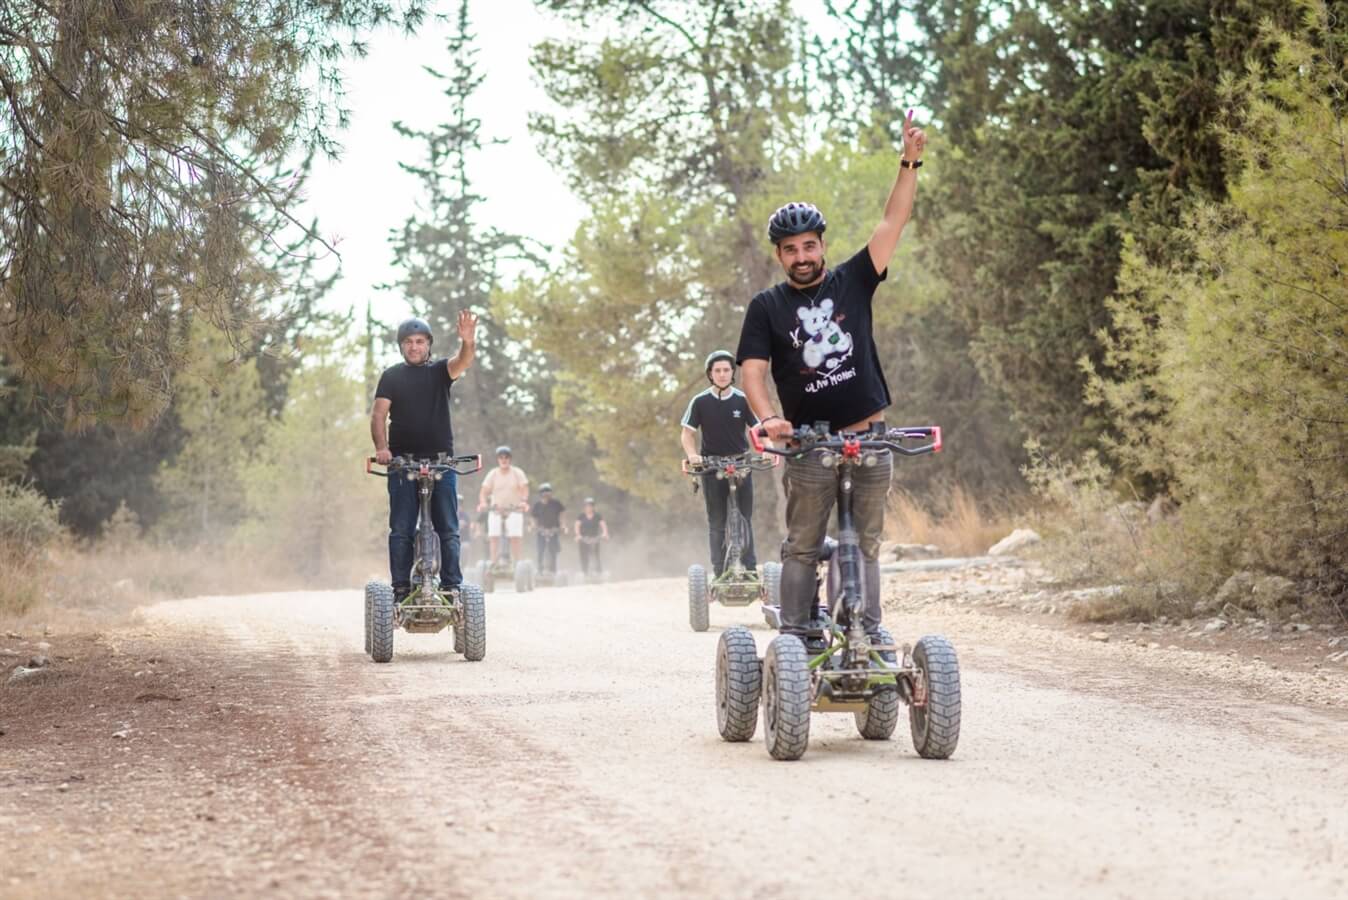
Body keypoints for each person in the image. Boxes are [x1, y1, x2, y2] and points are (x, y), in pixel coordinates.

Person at [736, 110, 928, 642]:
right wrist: (770, 419)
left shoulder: (853, 280)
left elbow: (893, 222)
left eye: (810, 245)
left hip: (870, 435)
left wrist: (909, 160)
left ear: (822, 244)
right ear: (779, 255)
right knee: (802, 542)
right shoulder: (766, 306)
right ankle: (796, 638)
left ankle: (867, 633)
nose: (802, 256)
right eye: (791, 249)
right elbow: (753, 371)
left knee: (865, 542)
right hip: (808, 444)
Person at [370, 311, 477, 601]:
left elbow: (463, 361)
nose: (414, 346)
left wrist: (468, 341)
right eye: (408, 342)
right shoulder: (391, 376)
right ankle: (400, 588)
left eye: (419, 341)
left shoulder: (441, 371)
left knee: (449, 529)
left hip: (441, 462)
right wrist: (382, 448)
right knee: (401, 528)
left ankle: (452, 587)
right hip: (402, 464)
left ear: (428, 344)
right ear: (401, 346)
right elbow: (379, 414)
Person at [680, 350, 760, 577]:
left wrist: (765, 447)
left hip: (741, 463)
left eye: (726, 370)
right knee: (716, 520)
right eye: (718, 370)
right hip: (712, 466)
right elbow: (687, 434)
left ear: (732, 373)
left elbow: (756, 429)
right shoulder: (700, 401)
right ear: (710, 374)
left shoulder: (743, 399)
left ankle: (751, 569)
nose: (723, 374)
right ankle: (719, 571)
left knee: (745, 517)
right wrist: (693, 455)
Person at [477, 446, 529, 566]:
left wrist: (523, 501)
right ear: (498, 459)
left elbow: (524, 489)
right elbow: (484, 491)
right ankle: (493, 563)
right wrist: (483, 502)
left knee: (515, 537)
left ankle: (517, 563)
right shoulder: (493, 474)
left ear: (510, 459)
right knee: (494, 537)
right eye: (501, 457)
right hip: (496, 510)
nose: (504, 460)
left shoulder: (517, 473)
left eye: (506, 457)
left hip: (514, 509)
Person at [530, 483, 566, 574]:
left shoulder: (556, 503)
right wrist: (533, 525)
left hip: (553, 530)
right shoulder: (537, 505)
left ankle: (553, 570)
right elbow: (533, 517)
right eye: (545, 492)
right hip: (541, 530)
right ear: (541, 493)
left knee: (553, 550)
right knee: (540, 550)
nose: (547, 494)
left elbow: (562, 513)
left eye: (548, 492)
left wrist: (563, 525)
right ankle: (540, 569)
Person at [573, 497, 609, 576]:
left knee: (596, 555)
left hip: (595, 539)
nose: (589, 507)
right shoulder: (581, 516)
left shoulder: (597, 516)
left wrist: (605, 533)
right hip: (584, 539)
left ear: (593, 507)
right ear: (584, 507)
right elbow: (577, 525)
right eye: (587, 506)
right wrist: (578, 535)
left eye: (590, 506)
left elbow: (603, 525)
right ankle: (584, 572)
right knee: (584, 556)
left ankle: (599, 572)